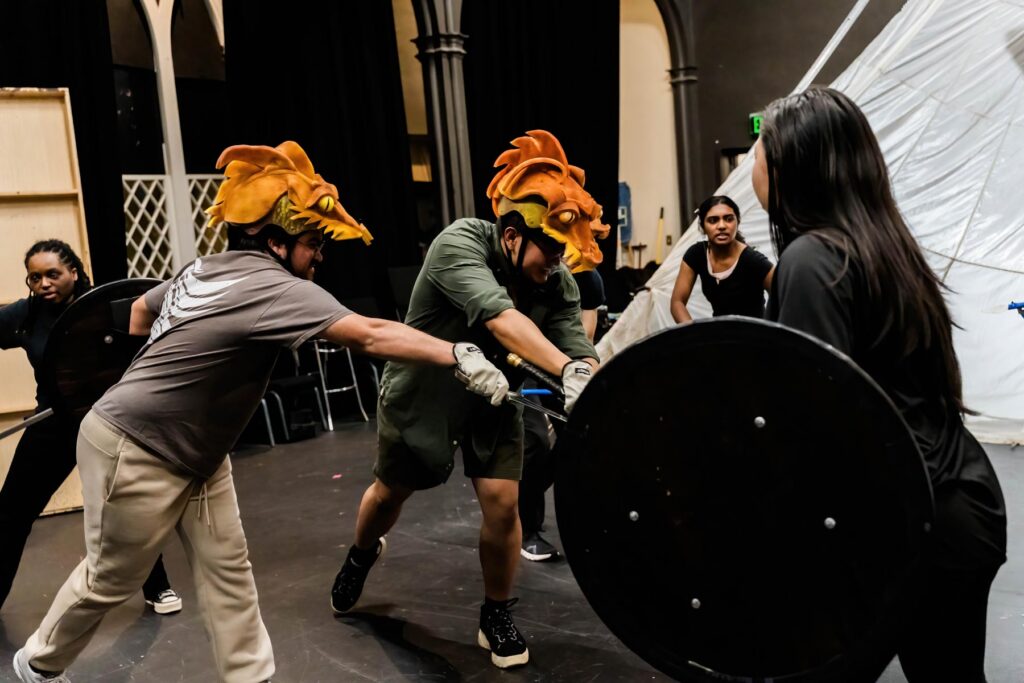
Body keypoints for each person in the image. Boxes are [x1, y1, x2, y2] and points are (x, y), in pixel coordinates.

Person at [12, 141, 508, 683]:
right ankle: (37, 662)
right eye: (311, 242)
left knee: (229, 571)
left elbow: (135, 312)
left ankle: (250, 677)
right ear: (275, 241)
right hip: (137, 446)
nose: (319, 254)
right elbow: (368, 333)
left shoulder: (203, 268)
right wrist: (457, 352)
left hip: (200, 451)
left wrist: (169, 367)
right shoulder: (275, 287)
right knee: (112, 578)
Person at [753, 87, 1006, 682]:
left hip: (911, 523)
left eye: (760, 151)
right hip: (961, 506)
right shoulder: (883, 245)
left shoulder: (812, 259)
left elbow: (819, 423)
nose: (753, 165)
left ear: (793, 165)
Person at [330, 130, 605, 669]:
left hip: (496, 400)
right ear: (509, 236)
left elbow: (576, 345)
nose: (556, 262)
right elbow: (502, 319)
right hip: (425, 395)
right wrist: (566, 368)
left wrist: (585, 375)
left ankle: (496, 614)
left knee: (504, 505)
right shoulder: (458, 244)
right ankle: (361, 556)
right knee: (388, 497)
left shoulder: (559, 280)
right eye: (548, 250)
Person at [0, 239, 181, 616]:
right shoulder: (26, 315)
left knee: (126, 509)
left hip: (108, 425)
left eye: (53, 274)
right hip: (53, 422)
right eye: (35, 277)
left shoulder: (105, 307)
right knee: (11, 514)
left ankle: (157, 586)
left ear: (75, 273)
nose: (44, 283)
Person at [519, 264, 605, 562]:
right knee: (534, 443)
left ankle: (524, 494)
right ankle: (528, 531)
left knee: (581, 436)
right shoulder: (523, 271)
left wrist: (582, 376)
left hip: (562, 366)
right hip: (518, 361)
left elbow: (584, 337)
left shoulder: (588, 279)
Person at [670, 195, 774, 322]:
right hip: (719, 336)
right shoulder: (697, 254)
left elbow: (782, 296)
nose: (722, 226)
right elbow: (677, 302)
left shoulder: (753, 260)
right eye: (713, 220)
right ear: (703, 226)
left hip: (752, 337)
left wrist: (767, 330)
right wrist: (694, 333)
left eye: (728, 219)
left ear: (738, 222)